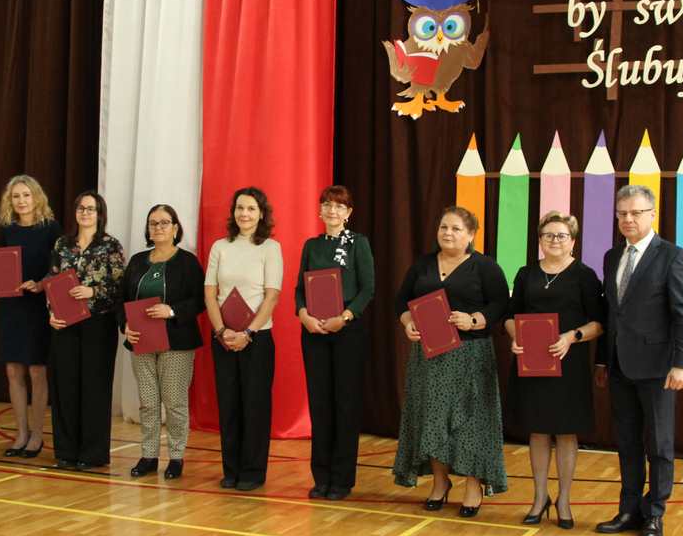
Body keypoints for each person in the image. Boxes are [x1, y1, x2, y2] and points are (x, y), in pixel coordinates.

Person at [594, 184, 683, 536]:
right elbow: (611, 313)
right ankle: (629, 509)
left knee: (659, 444)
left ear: (652, 214)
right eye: (622, 213)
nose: (628, 219)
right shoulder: (611, 256)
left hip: (658, 367)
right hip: (619, 366)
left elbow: (682, 313)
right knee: (627, 442)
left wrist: (682, 363)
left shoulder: (673, 256)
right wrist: (603, 361)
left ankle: (655, 513)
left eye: (636, 213)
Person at [393, 206, 509, 517]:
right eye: (444, 227)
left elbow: (501, 304)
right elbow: (401, 301)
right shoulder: (423, 264)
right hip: (429, 357)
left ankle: (473, 486)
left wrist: (474, 319)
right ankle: (440, 483)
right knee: (433, 420)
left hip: (470, 355)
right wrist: (407, 322)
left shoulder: (485, 267)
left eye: (456, 228)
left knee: (471, 422)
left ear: (471, 235)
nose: (448, 233)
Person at [503, 211, 605, 528]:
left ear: (572, 241)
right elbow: (510, 316)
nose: (554, 240)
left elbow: (599, 323)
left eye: (561, 235)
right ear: (540, 240)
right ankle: (539, 498)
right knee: (537, 430)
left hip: (569, 362)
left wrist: (571, 337)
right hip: (532, 362)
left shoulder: (585, 275)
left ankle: (564, 500)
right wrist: (516, 337)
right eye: (548, 235)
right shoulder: (526, 274)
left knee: (565, 431)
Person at [295, 185, 375, 501]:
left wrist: (346, 316)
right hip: (314, 331)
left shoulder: (358, 243)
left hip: (347, 332)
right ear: (320, 210)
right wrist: (303, 314)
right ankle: (322, 477)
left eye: (339, 206)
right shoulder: (312, 246)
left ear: (348, 212)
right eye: (327, 205)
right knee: (320, 405)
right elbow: (299, 288)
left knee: (345, 404)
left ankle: (341, 480)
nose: (332, 211)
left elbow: (367, 288)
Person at [203, 186, 283, 491]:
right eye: (239, 208)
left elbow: (272, 296)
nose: (244, 214)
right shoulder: (220, 247)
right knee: (229, 405)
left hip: (257, 339)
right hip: (223, 337)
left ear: (261, 214)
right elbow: (210, 293)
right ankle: (231, 470)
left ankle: (252, 472)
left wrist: (248, 333)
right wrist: (221, 331)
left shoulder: (270, 248)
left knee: (255, 406)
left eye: (251, 208)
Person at [119, 203, 205, 480]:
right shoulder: (137, 261)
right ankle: (149, 455)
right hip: (141, 341)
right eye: (153, 223)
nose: (158, 227)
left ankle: (176, 457)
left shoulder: (188, 262)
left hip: (176, 342)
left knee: (174, 401)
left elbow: (200, 301)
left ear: (175, 228)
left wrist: (172, 311)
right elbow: (122, 300)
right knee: (148, 402)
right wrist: (125, 326)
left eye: (164, 222)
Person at [47, 191, 126, 470]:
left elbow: (120, 287)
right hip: (65, 323)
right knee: (65, 386)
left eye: (91, 209)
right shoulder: (62, 244)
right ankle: (66, 451)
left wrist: (92, 291)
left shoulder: (110, 245)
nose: (85, 213)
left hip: (98, 324)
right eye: (81, 208)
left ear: (100, 214)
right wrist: (51, 312)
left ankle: (92, 454)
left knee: (94, 387)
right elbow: (52, 280)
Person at [0, 175, 60, 459]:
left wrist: (41, 284)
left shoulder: (51, 228)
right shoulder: (7, 229)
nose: (21, 201)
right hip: (11, 307)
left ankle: (37, 434)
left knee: (36, 371)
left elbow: (59, 268)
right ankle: (20, 433)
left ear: (36, 197)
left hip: (38, 307)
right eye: (16, 196)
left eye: (26, 195)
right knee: (13, 371)